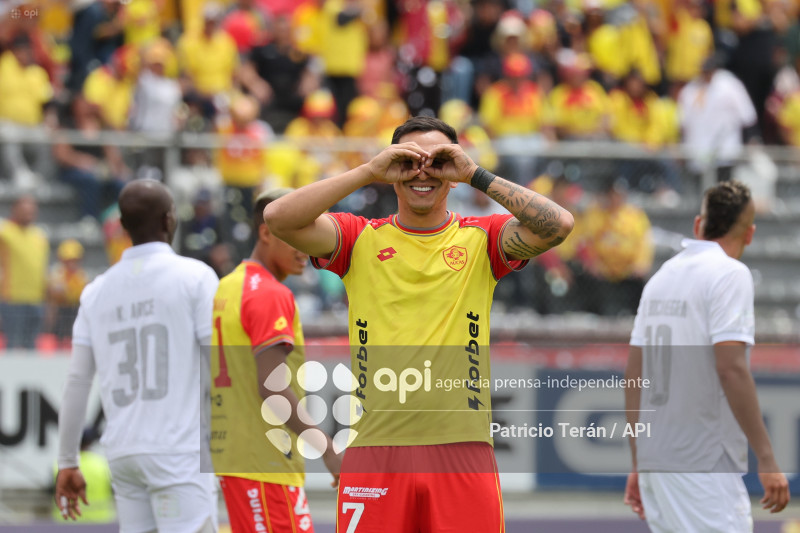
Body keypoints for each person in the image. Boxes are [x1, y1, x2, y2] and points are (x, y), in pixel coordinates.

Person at [264, 116, 574, 532]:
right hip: (376, 449)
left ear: (453, 173)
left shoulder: (482, 238)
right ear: (393, 171)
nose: (423, 172)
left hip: (463, 451)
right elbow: (278, 217)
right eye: (409, 160)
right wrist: (368, 171)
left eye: (438, 161)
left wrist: (475, 174)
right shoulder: (358, 237)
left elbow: (559, 225)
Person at [623, 181, 790, 531]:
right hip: (702, 462)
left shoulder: (660, 278)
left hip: (657, 460)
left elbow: (634, 374)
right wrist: (767, 457)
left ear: (699, 225)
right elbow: (731, 369)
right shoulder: (730, 275)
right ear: (750, 234)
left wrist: (639, 461)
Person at [55, 179, 220, 533]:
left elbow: (77, 382)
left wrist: (68, 460)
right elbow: (220, 367)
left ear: (124, 227)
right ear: (168, 220)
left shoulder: (96, 291)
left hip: (124, 454)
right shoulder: (195, 277)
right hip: (179, 450)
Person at [210, 188, 340, 533]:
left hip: (237, 455)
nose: (305, 246)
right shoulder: (270, 293)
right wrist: (326, 448)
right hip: (264, 461)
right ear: (266, 231)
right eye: (295, 233)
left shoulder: (227, 286)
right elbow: (272, 387)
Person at [0, 195, 49, 349]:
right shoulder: (5, 232)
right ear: (14, 210)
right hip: (12, 299)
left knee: (32, 347)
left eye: (32, 210)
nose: (29, 213)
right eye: (24, 210)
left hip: (36, 300)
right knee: (12, 345)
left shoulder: (39, 235)